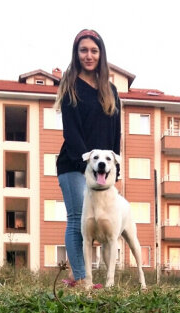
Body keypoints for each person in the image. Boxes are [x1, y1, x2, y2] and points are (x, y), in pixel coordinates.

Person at [54, 29, 121, 288]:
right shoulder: (70, 86)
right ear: (76, 53)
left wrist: (116, 170)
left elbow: (115, 134)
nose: (89, 55)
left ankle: (97, 278)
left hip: (104, 169)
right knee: (78, 219)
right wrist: (87, 166)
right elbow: (71, 132)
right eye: (84, 50)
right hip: (74, 165)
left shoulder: (110, 90)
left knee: (104, 223)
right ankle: (81, 278)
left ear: (101, 54)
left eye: (94, 50)